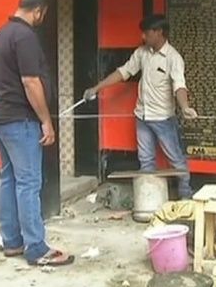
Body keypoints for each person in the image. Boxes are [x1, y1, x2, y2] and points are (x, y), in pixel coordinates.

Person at [0, 0, 74, 266]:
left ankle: (12, 242)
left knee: (9, 178)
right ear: (39, 11)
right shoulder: (25, 37)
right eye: (42, 15)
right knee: (28, 182)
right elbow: (30, 82)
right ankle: (36, 248)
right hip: (19, 120)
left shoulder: (0, 34)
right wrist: (46, 120)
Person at [84, 14, 197, 199]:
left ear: (159, 32)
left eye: (147, 33)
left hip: (163, 119)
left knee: (176, 160)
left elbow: (179, 86)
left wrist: (184, 107)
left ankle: (186, 197)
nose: (143, 37)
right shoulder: (142, 53)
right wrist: (96, 88)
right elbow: (123, 72)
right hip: (142, 117)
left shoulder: (173, 58)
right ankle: (150, 201)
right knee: (146, 162)